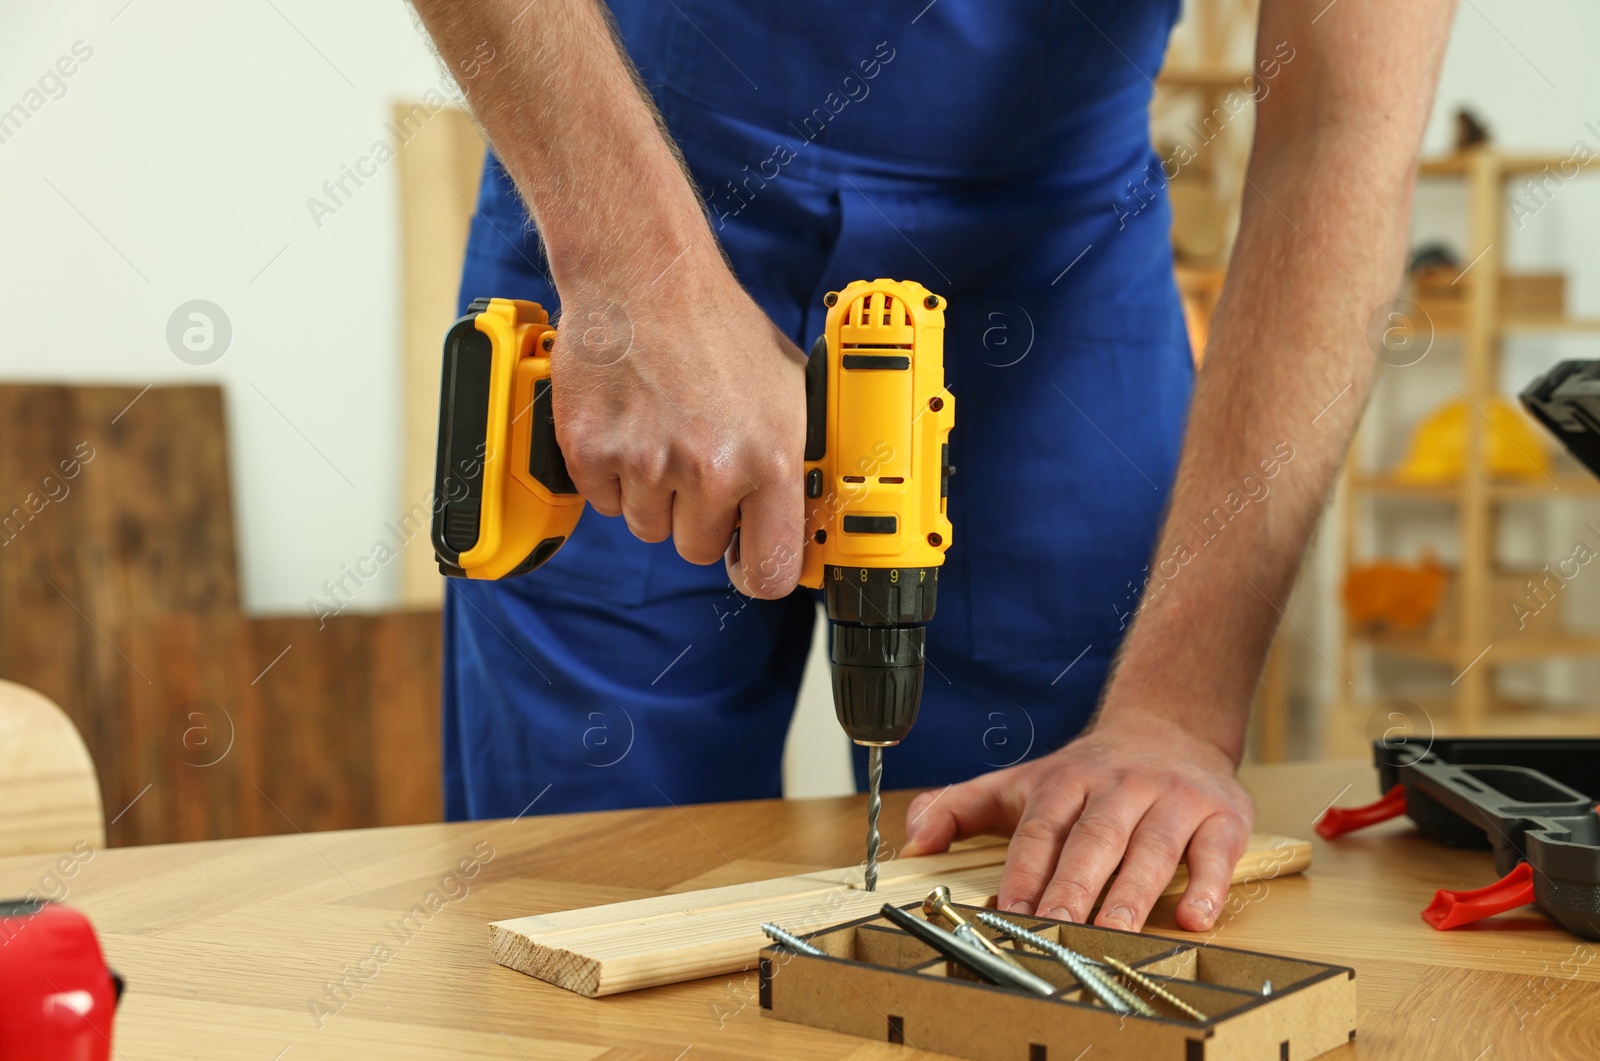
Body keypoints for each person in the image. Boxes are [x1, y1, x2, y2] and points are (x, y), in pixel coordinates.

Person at [409, 0, 1456, 933]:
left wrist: (1177, 711)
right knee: (577, 895)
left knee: (1063, 883)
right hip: (626, 182)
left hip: (1057, 274)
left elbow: (1340, 131)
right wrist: (635, 266)